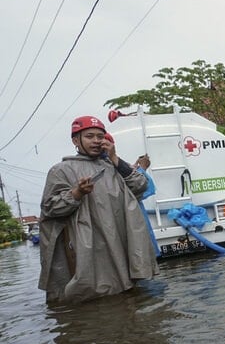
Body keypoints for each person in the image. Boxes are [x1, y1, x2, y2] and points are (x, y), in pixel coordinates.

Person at [39, 116, 158, 303]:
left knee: (126, 295)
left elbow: (140, 185)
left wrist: (115, 158)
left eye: (100, 136)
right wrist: (77, 193)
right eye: (89, 136)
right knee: (92, 299)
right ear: (75, 140)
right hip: (88, 247)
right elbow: (50, 208)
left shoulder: (113, 166)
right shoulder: (61, 170)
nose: (96, 141)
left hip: (120, 240)